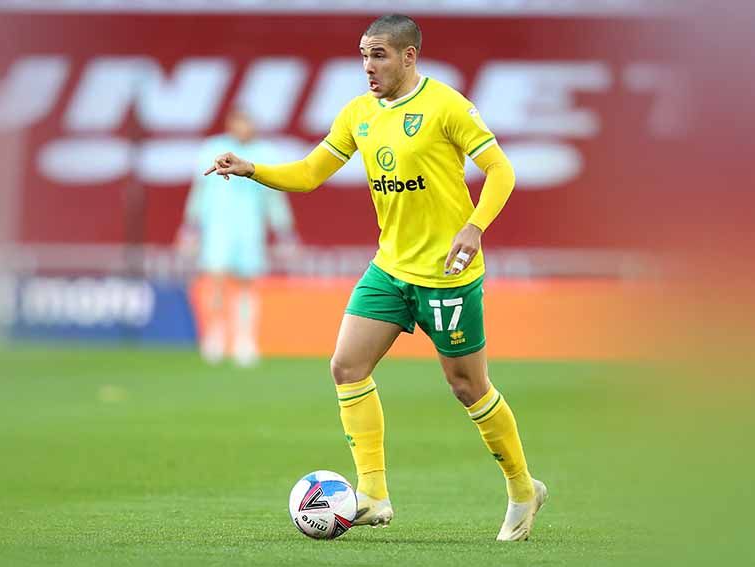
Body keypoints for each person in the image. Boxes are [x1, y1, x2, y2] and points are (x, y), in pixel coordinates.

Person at [205, 14, 546, 541]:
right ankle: (373, 494)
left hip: (447, 275)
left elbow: (502, 171)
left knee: (467, 386)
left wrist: (474, 228)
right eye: (364, 54)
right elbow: (311, 173)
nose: (368, 65)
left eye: (380, 54)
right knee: (346, 365)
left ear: (409, 56)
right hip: (390, 267)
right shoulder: (358, 115)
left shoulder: (446, 106)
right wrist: (254, 169)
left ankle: (523, 489)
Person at [178, 108, 297, 367]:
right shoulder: (213, 149)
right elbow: (200, 191)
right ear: (230, 123)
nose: (243, 127)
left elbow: (274, 195)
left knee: (246, 283)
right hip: (218, 227)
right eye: (238, 122)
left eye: (247, 122)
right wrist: (190, 227)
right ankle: (216, 334)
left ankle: (245, 339)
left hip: (249, 228)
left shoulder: (265, 153)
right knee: (217, 280)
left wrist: (284, 230)